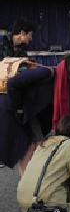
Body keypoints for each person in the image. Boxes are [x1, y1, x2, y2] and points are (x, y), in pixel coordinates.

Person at [1, 55, 70, 175]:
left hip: (32, 116)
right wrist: (18, 109)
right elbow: (13, 83)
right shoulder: (46, 73)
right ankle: (28, 184)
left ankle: (33, 181)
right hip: (13, 109)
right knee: (27, 147)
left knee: (35, 146)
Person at [0, 19, 35, 168]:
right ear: (22, 33)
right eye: (30, 35)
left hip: (13, 92)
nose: (31, 38)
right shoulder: (2, 43)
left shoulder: (23, 51)